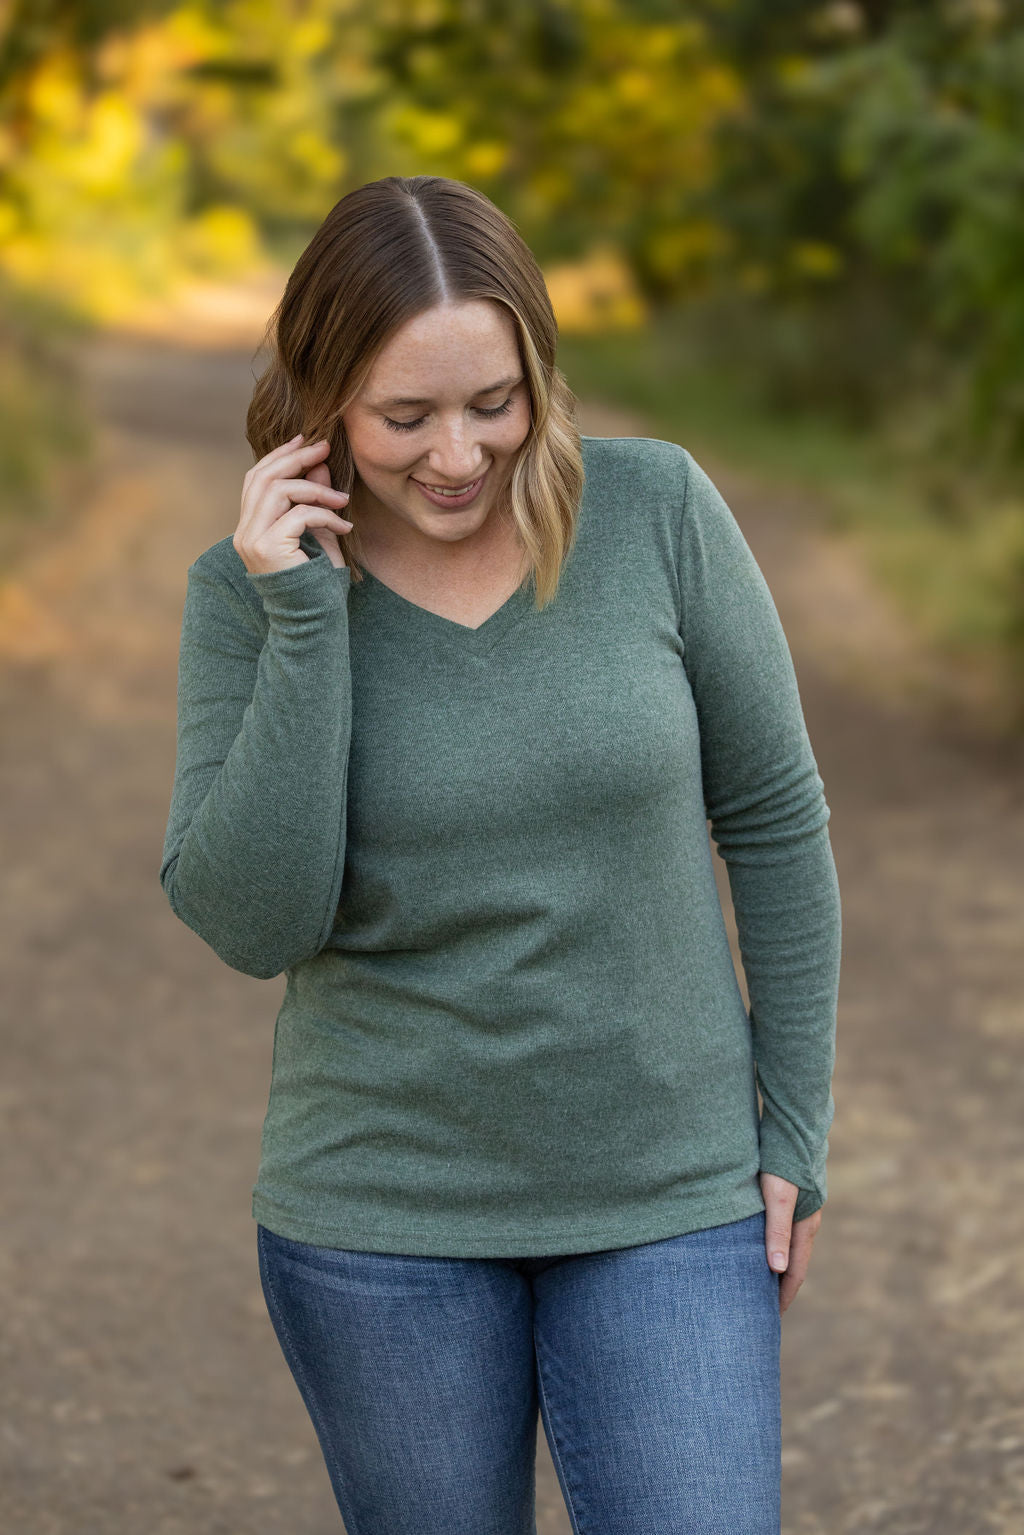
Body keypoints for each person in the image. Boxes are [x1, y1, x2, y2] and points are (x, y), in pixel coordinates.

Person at [159, 174, 841, 1535]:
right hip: (379, 1216)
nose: (460, 454)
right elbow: (255, 921)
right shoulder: (247, 594)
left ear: (541, 372)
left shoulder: (657, 515)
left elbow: (772, 816)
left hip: (671, 1194)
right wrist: (305, 620)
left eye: (496, 402)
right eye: (407, 416)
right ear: (324, 403)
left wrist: (794, 1129)